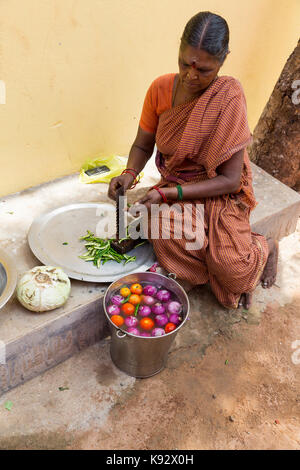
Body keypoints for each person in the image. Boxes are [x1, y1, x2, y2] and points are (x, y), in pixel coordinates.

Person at [108, 11, 278, 310]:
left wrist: (167, 194)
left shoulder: (228, 96)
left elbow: (228, 180)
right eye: (185, 63)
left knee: (233, 272)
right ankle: (211, 256)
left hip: (220, 194)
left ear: (223, 60)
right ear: (179, 50)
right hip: (178, 186)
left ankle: (264, 247)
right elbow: (142, 143)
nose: (191, 75)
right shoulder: (160, 88)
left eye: (204, 70)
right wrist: (130, 172)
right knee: (161, 228)